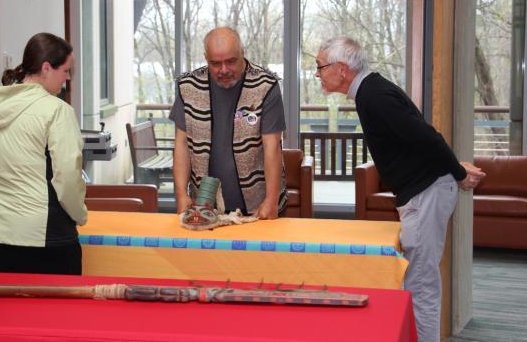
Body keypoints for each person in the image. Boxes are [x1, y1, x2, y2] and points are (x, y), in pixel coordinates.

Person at [314, 36, 485, 342]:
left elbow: (426, 136)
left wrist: (458, 173)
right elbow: (414, 139)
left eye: (320, 66)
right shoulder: (370, 91)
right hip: (422, 191)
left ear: (341, 69)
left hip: (426, 193)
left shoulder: (373, 95)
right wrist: (454, 166)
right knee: (416, 282)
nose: (317, 73)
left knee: (420, 286)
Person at [0, 32, 88, 275]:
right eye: (66, 70)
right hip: (44, 238)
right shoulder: (57, 111)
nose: (67, 78)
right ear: (47, 67)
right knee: (54, 313)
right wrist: (80, 214)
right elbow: (67, 177)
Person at [169, 27, 286, 219]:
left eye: (231, 61)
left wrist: (271, 201)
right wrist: (181, 194)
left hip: (258, 204)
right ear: (206, 58)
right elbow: (181, 143)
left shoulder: (265, 86)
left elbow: (272, 146)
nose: (224, 70)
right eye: (215, 63)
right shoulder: (188, 87)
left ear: (242, 53)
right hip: (203, 204)